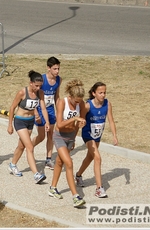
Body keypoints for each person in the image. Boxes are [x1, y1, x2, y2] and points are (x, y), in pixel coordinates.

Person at [75, 82, 118, 198]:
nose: (103, 95)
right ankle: (99, 189)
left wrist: (114, 135)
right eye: (100, 93)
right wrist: (74, 137)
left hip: (97, 135)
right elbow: (80, 119)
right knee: (97, 158)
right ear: (94, 93)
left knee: (90, 157)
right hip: (87, 134)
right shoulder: (88, 105)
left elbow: (111, 121)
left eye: (104, 92)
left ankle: (78, 175)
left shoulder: (108, 104)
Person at [47, 79, 86, 207]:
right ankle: (75, 196)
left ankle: (52, 188)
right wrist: (74, 118)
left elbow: (78, 124)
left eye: (79, 101)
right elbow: (59, 124)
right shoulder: (62, 103)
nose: (77, 103)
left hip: (70, 137)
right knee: (68, 163)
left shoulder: (81, 104)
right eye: (76, 101)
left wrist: (77, 131)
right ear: (70, 97)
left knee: (59, 161)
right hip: (59, 136)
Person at [7, 70, 49, 184]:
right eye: (36, 85)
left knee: (21, 146)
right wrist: (10, 125)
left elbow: (43, 108)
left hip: (30, 122)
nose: (38, 88)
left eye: (40, 86)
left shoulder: (40, 93)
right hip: (20, 121)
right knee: (29, 146)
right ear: (31, 83)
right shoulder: (22, 92)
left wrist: (47, 123)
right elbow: (12, 108)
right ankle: (36, 174)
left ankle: (12, 164)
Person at [32, 56, 62, 170]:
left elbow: (57, 96)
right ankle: (29, 146)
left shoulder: (59, 80)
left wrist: (59, 111)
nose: (57, 71)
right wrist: (35, 112)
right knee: (41, 136)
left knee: (51, 135)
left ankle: (48, 159)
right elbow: (33, 97)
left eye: (58, 68)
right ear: (48, 68)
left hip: (50, 110)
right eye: (55, 69)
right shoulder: (42, 80)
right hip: (40, 109)